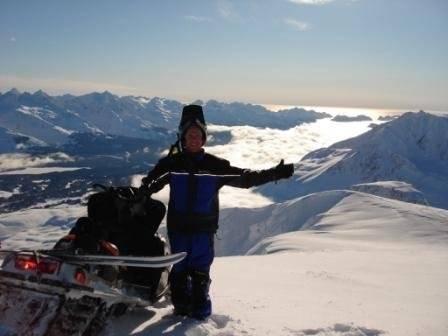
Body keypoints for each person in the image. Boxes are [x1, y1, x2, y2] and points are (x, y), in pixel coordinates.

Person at [140, 104, 294, 320]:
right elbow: (151, 183)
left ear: (203, 139)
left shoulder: (215, 166)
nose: (193, 139)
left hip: (204, 229)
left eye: (197, 135)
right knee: (180, 270)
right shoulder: (172, 164)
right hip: (179, 228)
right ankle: (180, 310)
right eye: (189, 135)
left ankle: (200, 314)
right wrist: (138, 194)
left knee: (200, 271)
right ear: (183, 138)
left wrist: (274, 174)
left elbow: (245, 178)